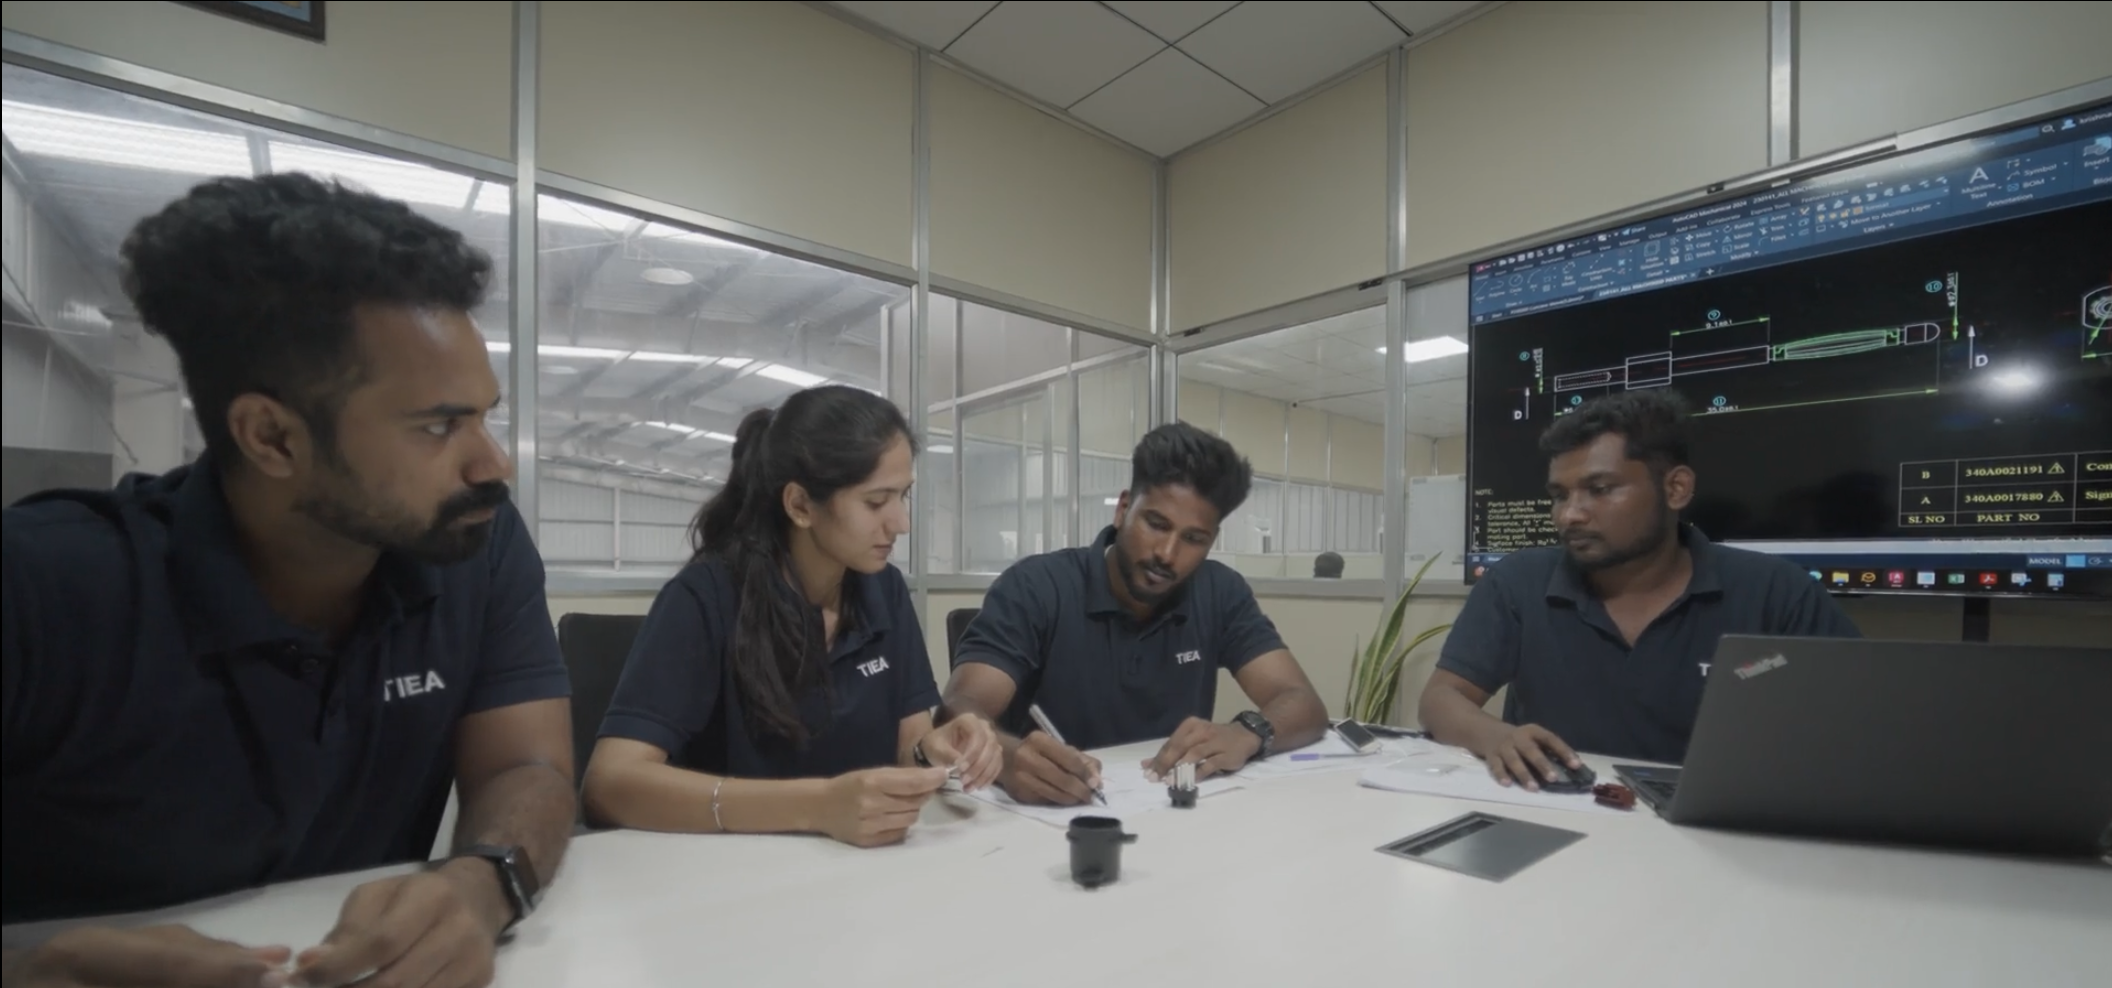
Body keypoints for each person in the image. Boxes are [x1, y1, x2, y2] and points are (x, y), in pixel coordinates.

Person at [1, 174, 576, 988]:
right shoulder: (41, 588)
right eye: (439, 425)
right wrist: (30, 971)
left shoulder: (476, 546)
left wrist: (484, 882)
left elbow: (529, 770)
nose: (493, 463)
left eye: (485, 414)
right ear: (271, 437)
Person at [581, 386, 1001, 848]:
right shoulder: (706, 598)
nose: (900, 523)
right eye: (876, 502)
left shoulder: (885, 590)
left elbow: (909, 744)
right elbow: (609, 784)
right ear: (800, 505)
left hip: (863, 861)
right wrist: (819, 806)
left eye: (904, 496)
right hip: (732, 866)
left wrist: (929, 752)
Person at [1417, 389, 1859, 786]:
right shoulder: (1518, 582)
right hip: (1561, 812)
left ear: (1676, 488)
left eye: (1600, 489)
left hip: (1714, 826)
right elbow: (1440, 699)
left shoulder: (1776, 592)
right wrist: (1496, 736)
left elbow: (1860, 721)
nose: (1569, 515)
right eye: (1560, 495)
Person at [940, 422, 1330, 806]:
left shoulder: (1220, 592)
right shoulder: (1036, 586)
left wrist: (1248, 734)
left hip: (1170, 810)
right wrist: (1008, 757)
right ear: (1124, 509)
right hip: (1048, 815)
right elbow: (959, 705)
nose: (1167, 554)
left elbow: (1303, 702)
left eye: (1193, 539)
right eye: (1156, 524)